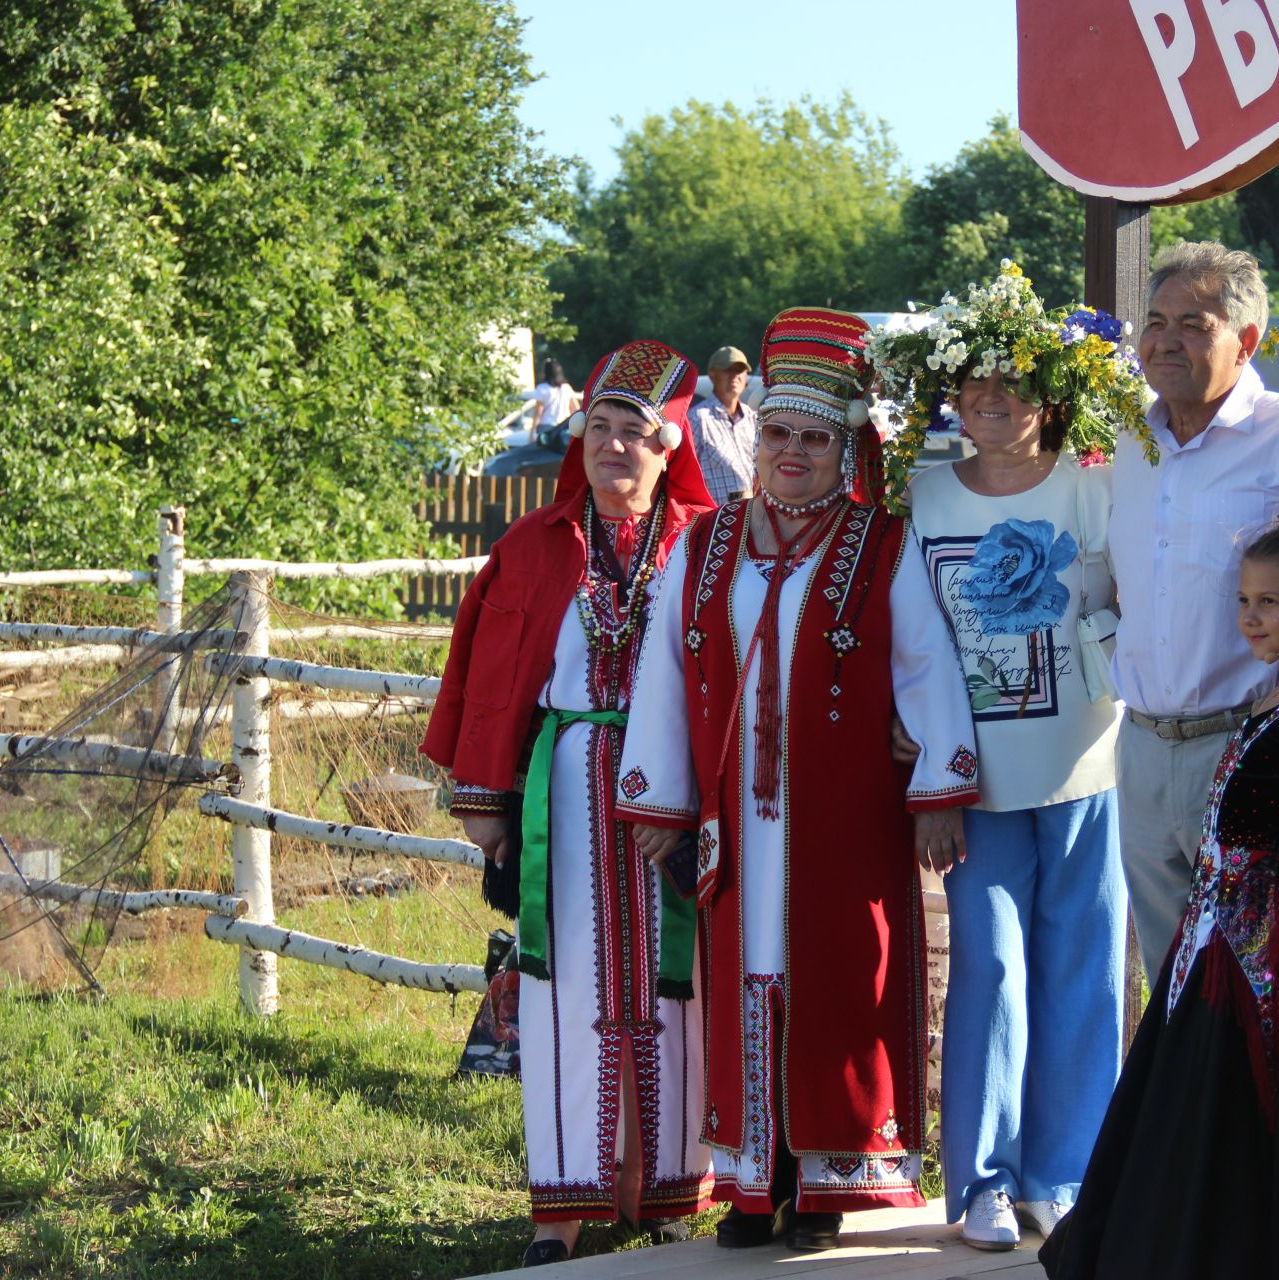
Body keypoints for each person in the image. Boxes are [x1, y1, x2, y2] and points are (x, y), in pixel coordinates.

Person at [615, 307, 981, 1254]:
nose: (791, 454)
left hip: (843, 818)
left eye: (814, 439)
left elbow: (927, 668)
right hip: (734, 816)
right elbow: (662, 667)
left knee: (842, 979)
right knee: (745, 979)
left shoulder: (883, 545)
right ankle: (751, 1184)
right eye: (777, 433)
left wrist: (939, 788)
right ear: (755, 433)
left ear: (844, 445)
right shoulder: (704, 545)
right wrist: (658, 799)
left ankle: (827, 1184)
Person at [421, 340, 717, 1266]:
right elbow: (492, 674)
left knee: (682, 990)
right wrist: (489, 808)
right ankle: (564, 1207)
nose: (615, 447)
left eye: (637, 432)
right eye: (600, 428)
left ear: (671, 449)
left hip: (681, 789)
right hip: (569, 786)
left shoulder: (712, 543)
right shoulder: (533, 546)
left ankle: (666, 1188)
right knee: (566, 994)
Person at [872, 266, 1136, 1250]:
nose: (992, 401)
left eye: (1015, 384)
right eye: (975, 385)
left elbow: (1132, 608)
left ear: (1053, 396)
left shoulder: (1094, 488)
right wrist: (932, 769)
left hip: (1087, 769)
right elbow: (913, 643)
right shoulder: (927, 497)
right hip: (977, 785)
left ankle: (1064, 1171)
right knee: (986, 967)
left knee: (1084, 966)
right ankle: (981, 1175)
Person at [1042, 516, 1279, 1279]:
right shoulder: (1274, 697)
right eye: (1244, 601)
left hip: (1264, 961)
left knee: (1233, 1110)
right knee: (1188, 1103)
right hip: (1216, 941)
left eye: (1269, 603)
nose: (1249, 619)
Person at [1112, 240, 1279, 973]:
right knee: (1168, 981)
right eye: (1155, 320)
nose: (1165, 340)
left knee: (1260, 981)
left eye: (1192, 322)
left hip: (1252, 746)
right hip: (1144, 750)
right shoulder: (1122, 441)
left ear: (1245, 341)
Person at [688, 344, 760, 502]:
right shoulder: (697, 419)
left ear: (746, 376)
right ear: (712, 375)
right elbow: (684, 474)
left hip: (754, 515)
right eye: (728, 369)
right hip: (716, 520)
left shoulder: (753, 418)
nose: (735, 376)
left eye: (739, 370)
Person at [518, 358, 578, 446]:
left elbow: (538, 413)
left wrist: (532, 432)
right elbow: (575, 409)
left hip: (546, 427)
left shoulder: (542, 388)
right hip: (563, 428)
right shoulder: (566, 387)